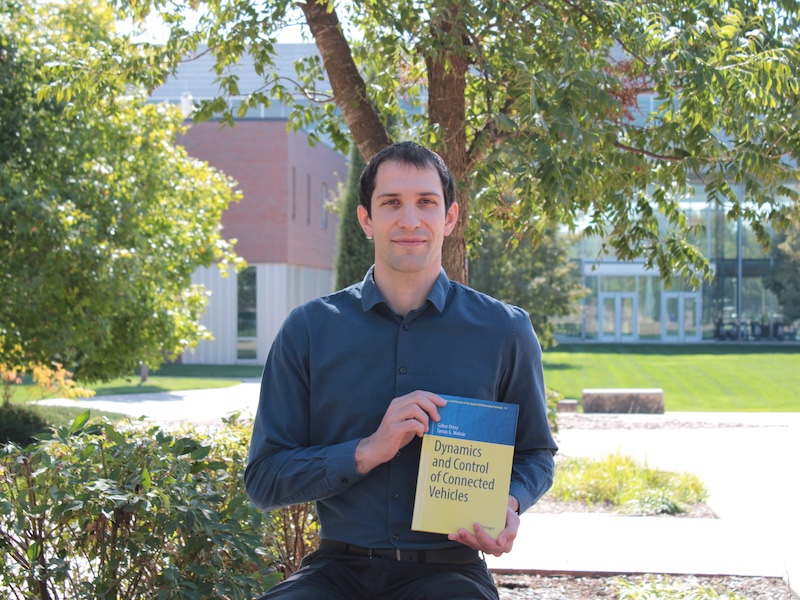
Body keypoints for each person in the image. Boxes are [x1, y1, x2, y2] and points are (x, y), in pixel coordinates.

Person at [245, 141, 558, 599]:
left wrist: (508, 502)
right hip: (336, 570)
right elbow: (265, 478)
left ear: (449, 218)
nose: (410, 220)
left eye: (426, 203)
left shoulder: (504, 331)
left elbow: (536, 455)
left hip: (450, 574)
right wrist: (367, 450)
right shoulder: (309, 330)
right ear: (366, 220)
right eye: (391, 203)